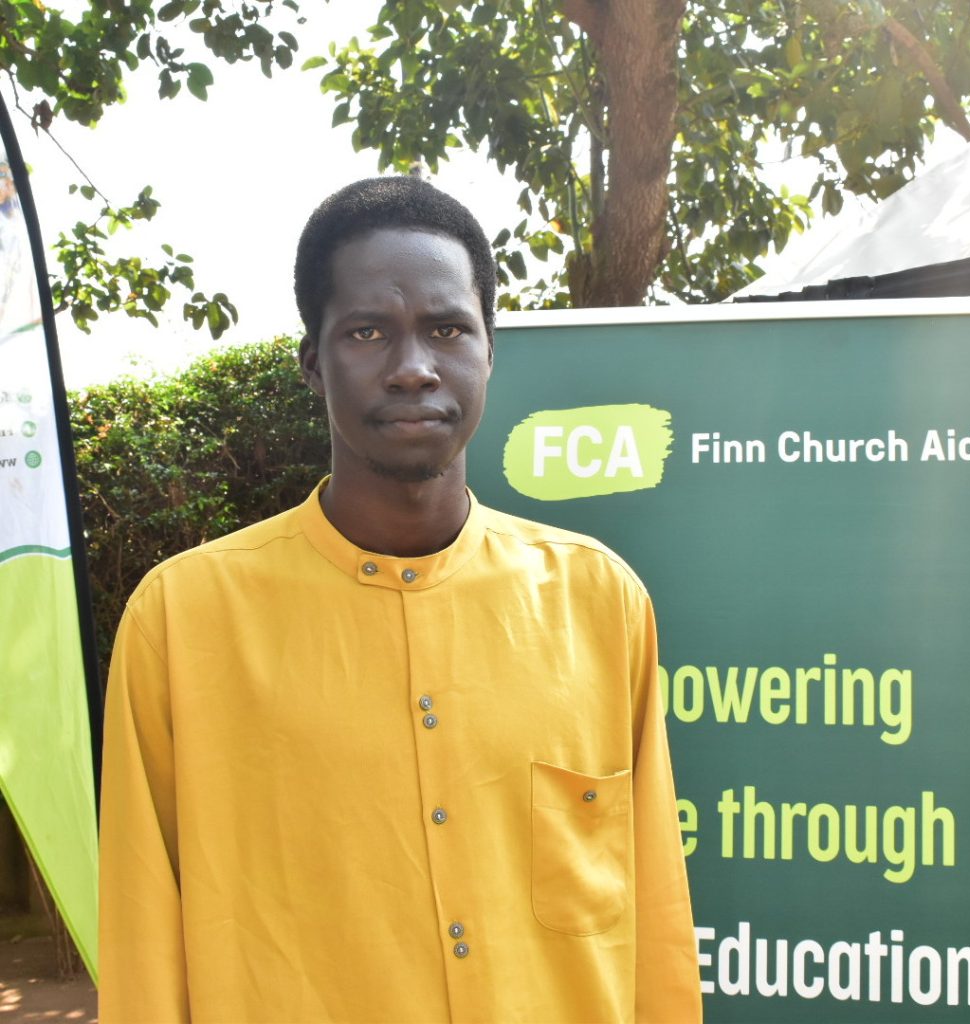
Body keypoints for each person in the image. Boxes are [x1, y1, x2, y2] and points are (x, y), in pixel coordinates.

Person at [99, 176, 702, 1022]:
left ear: (490, 350)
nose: (414, 367)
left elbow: (654, 926)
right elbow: (143, 948)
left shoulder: (598, 600)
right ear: (313, 360)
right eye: (368, 331)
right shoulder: (184, 622)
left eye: (448, 329)